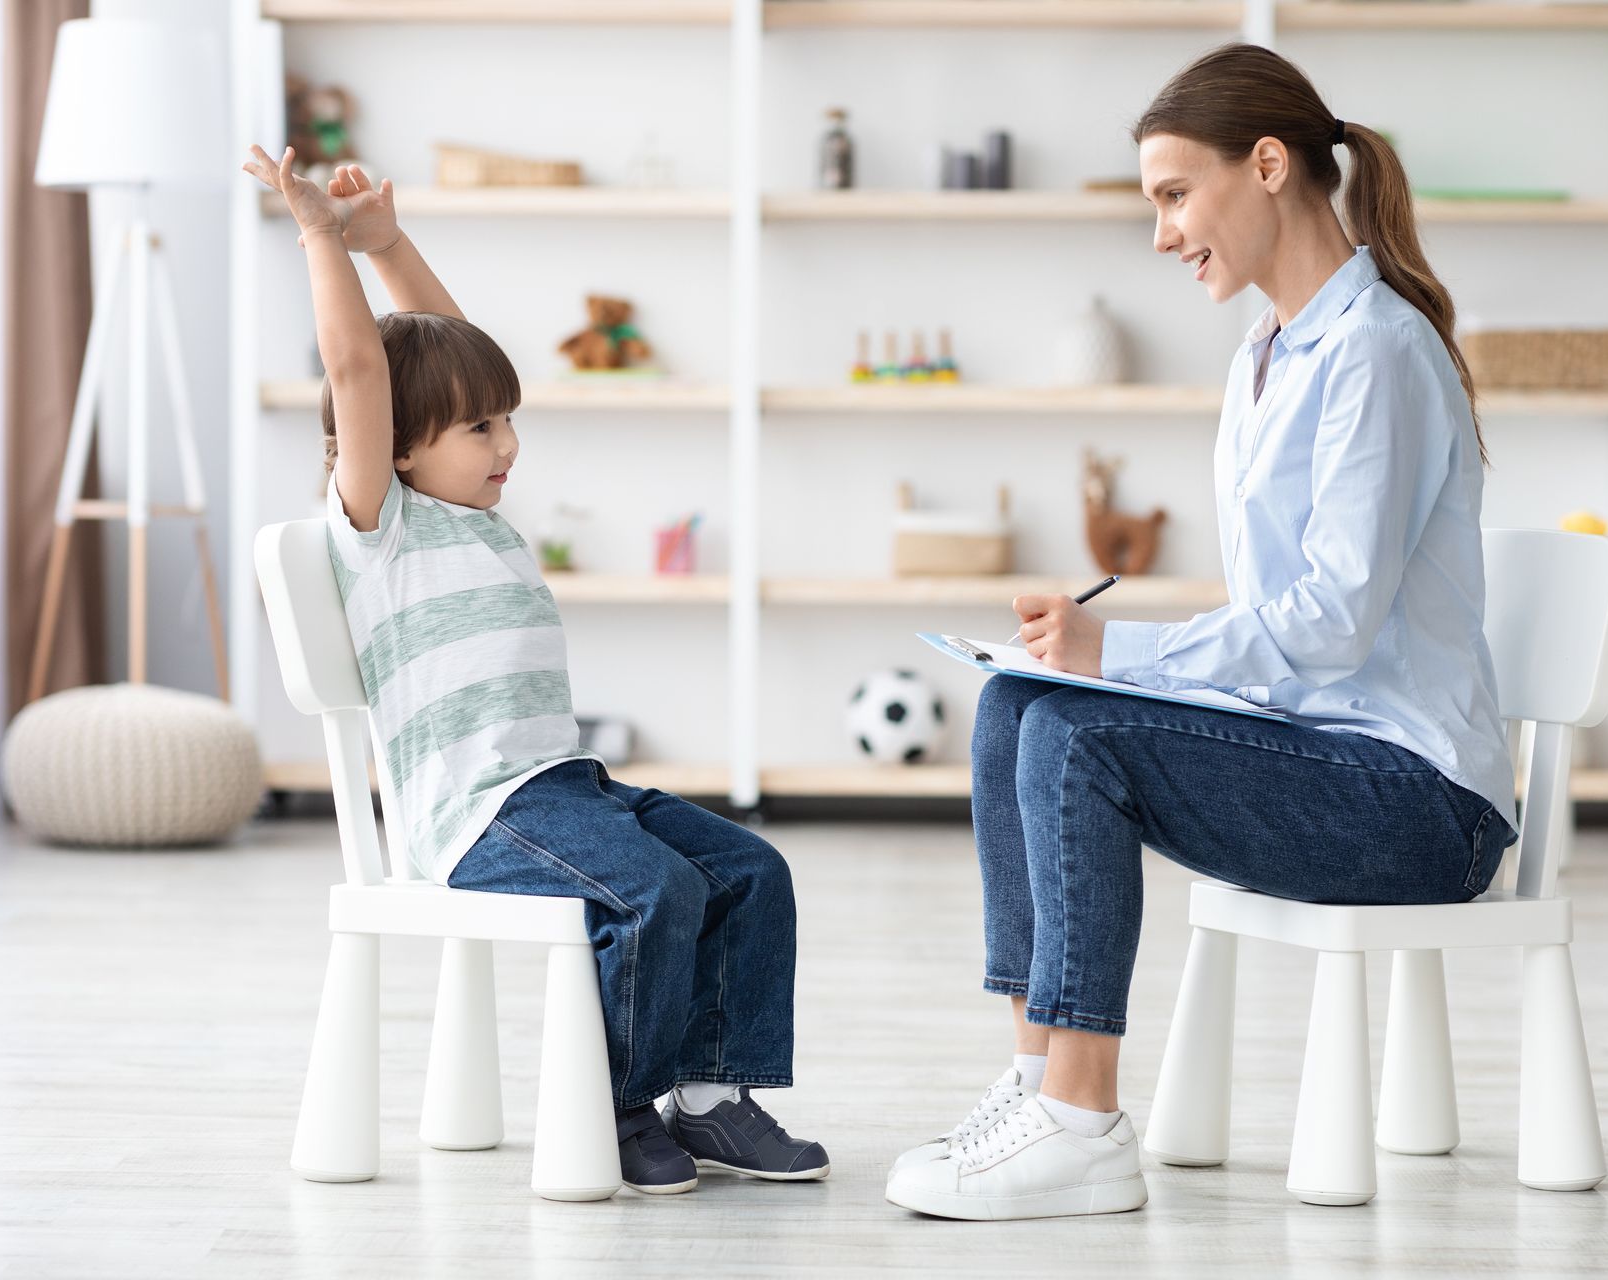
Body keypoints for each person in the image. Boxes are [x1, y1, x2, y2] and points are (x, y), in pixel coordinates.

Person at [884, 43, 1518, 1222]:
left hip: (1422, 803)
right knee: (1021, 700)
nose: (1164, 233)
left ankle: (1081, 1123)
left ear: (1268, 165)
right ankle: (1039, 1084)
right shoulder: (1263, 356)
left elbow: (1326, 628)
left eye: (1175, 194)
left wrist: (1118, 656)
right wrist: (1095, 658)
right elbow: (1279, 629)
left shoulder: (1379, 350)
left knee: (1078, 731)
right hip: (1323, 758)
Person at [243, 145, 828, 1196]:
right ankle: (611, 1106)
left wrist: (390, 243)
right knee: (653, 888)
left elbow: (453, 357)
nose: (508, 441)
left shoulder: (478, 513)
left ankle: (709, 1094)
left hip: (561, 787)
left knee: (749, 870)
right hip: (474, 811)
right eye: (481, 427)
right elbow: (361, 372)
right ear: (397, 450)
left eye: (506, 419)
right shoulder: (383, 525)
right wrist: (323, 239)